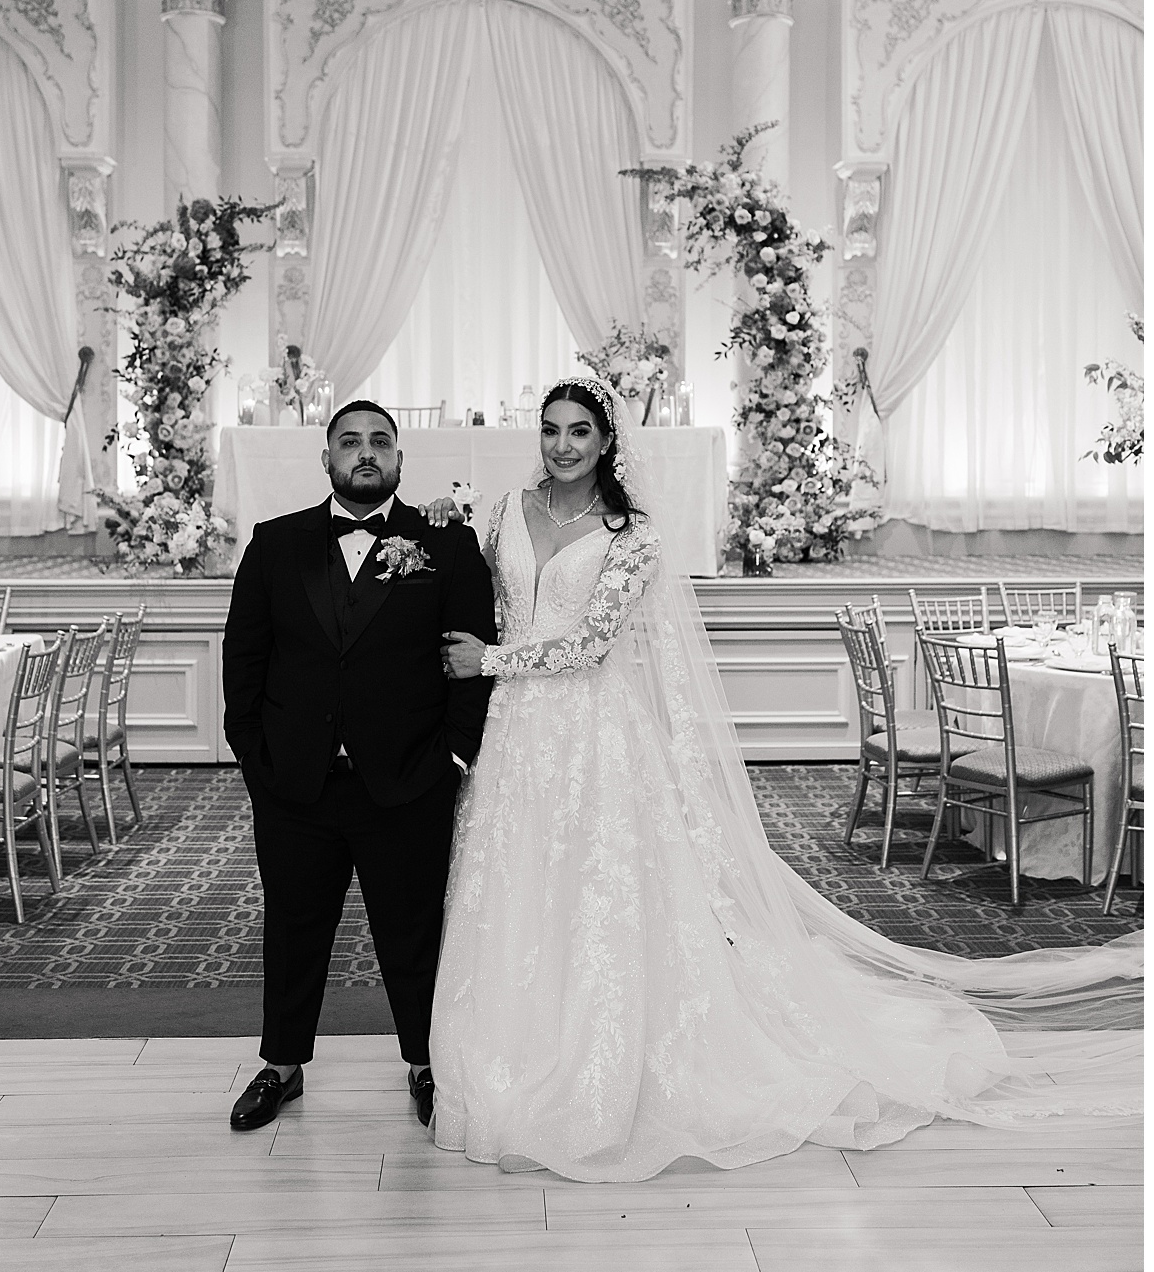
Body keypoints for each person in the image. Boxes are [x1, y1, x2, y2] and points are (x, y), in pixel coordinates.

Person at [432, 376, 1141, 1183]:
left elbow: (590, 647)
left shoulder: (634, 538)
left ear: (607, 444)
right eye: (552, 430)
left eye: (579, 433)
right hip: (515, 734)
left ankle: (601, 1064)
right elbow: (484, 599)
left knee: (598, 892)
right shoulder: (500, 513)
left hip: (593, 733)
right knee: (518, 884)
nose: (562, 446)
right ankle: (509, 1052)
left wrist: (488, 660)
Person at [222, 400, 496, 1132]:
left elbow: (473, 658)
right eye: (350, 442)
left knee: (412, 932)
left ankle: (426, 1062)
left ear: (402, 461)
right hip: (295, 781)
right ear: (327, 459)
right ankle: (281, 1066)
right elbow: (244, 660)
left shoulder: (445, 546)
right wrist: (256, 757)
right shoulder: (276, 544)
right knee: (292, 927)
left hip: (408, 778)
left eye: (380, 441)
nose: (365, 453)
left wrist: (455, 756)